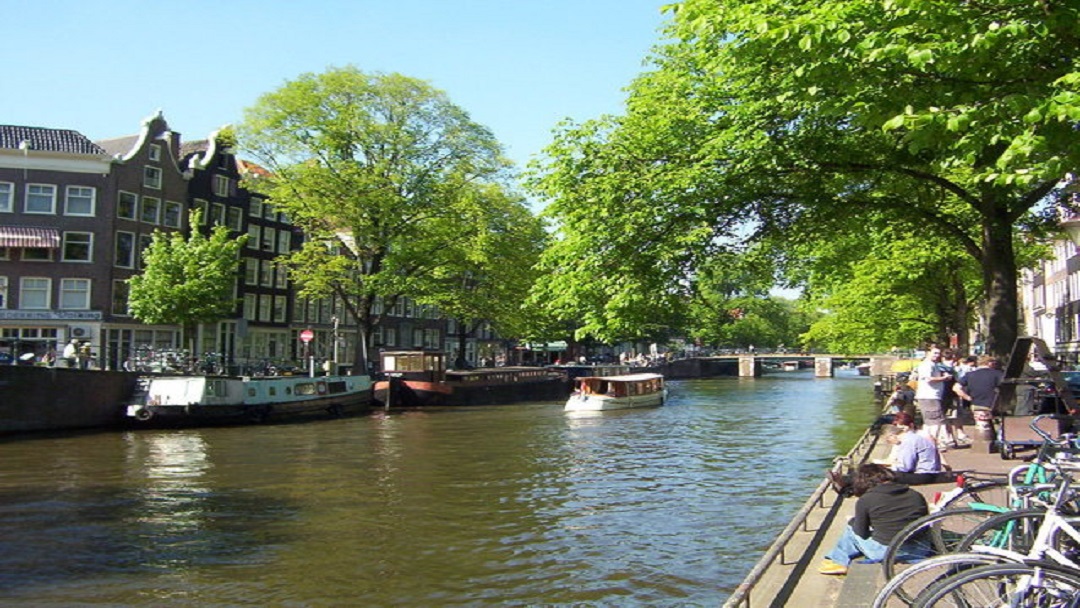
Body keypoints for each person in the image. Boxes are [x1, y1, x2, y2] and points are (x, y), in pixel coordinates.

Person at [819, 464, 929, 575]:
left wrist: (852, 521)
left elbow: (860, 533)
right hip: (920, 549)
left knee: (850, 529)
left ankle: (837, 560)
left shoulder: (866, 500)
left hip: (885, 552)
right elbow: (925, 525)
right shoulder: (916, 495)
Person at [954, 355, 1004, 442]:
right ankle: (999, 440)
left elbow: (956, 388)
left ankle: (982, 443)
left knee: (982, 425)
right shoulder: (997, 374)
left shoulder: (970, 375)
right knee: (1001, 422)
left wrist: (967, 397)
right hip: (993, 404)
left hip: (976, 404)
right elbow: (1005, 387)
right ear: (990, 363)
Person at [914, 346, 952, 447]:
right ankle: (934, 443)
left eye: (938, 353)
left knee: (930, 421)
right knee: (935, 421)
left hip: (931, 396)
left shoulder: (933, 365)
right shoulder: (927, 365)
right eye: (934, 353)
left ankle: (928, 441)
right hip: (929, 395)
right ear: (928, 353)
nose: (937, 355)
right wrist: (944, 378)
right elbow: (929, 379)